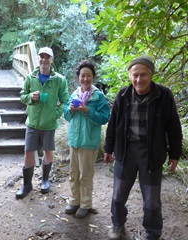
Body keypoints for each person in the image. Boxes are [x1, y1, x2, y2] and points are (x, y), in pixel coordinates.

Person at [104, 56, 183, 240]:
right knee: (118, 196)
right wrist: (108, 148)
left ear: (151, 75)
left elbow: (173, 127)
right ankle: (118, 225)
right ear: (130, 76)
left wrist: (175, 154)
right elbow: (113, 123)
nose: (139, 79)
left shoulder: (164, 96)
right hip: (126, 152)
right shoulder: (123, 95)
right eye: (135, 75)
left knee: (152, 202)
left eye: (143, 75)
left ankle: (152, 233)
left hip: (151, 155)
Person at [16, 47, 69, 199]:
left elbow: (65, 101)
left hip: (49, 123)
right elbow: (22, 96)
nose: (44, 60)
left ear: (52, 60)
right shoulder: (30, 78)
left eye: (47, 57)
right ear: (38, 59)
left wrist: (56, 114)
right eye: (42, 57)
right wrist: (30, 97)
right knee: (28, 152)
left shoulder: (59, 80)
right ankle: (27, 184)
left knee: (48, 151)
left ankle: (45, 180)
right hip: (32, 122)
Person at [63, 59, 110, 218]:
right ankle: (74, 201)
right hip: (74, 141)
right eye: (83, 75)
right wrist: (69, 109)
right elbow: (67, 116)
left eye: (89, 75)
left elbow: (104, 117)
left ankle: (86, 204)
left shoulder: (98, 97)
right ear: (78, 77)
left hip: (88, 142)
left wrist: (86, 110)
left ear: (93, 77)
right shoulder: (74, 94)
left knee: (85, 175)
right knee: (73, 173)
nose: (85, 79)